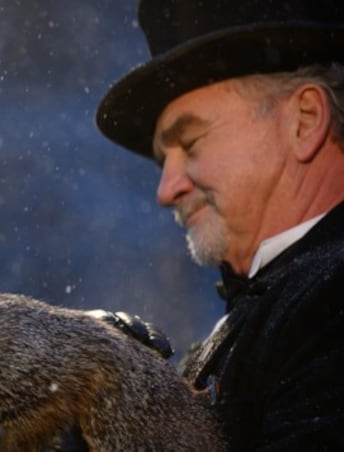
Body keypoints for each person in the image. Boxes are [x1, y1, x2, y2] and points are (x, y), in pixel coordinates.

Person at [95, 0, 344, 450]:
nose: (165, 190)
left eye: (191, 142)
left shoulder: (330, 300)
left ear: (304, 121)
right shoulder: (275, 304)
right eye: (161, 162)